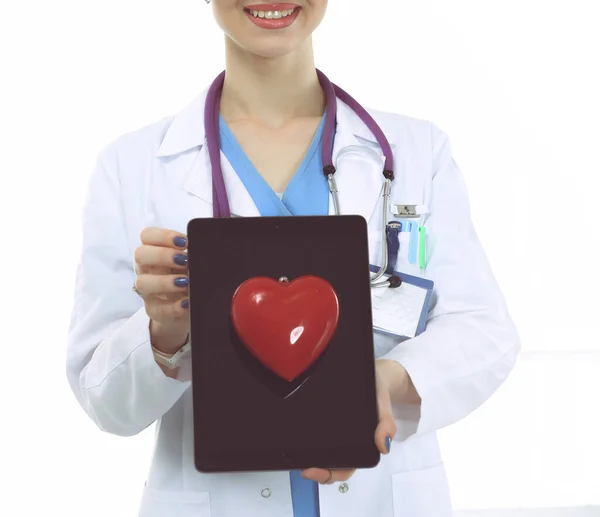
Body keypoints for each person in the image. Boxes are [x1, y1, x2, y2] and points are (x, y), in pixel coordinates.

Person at [65, 1, 521, 516]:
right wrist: (162, 337)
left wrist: (384, 383)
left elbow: (484, 331)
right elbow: (103, 402)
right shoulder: (131, 167)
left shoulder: (417, 152)